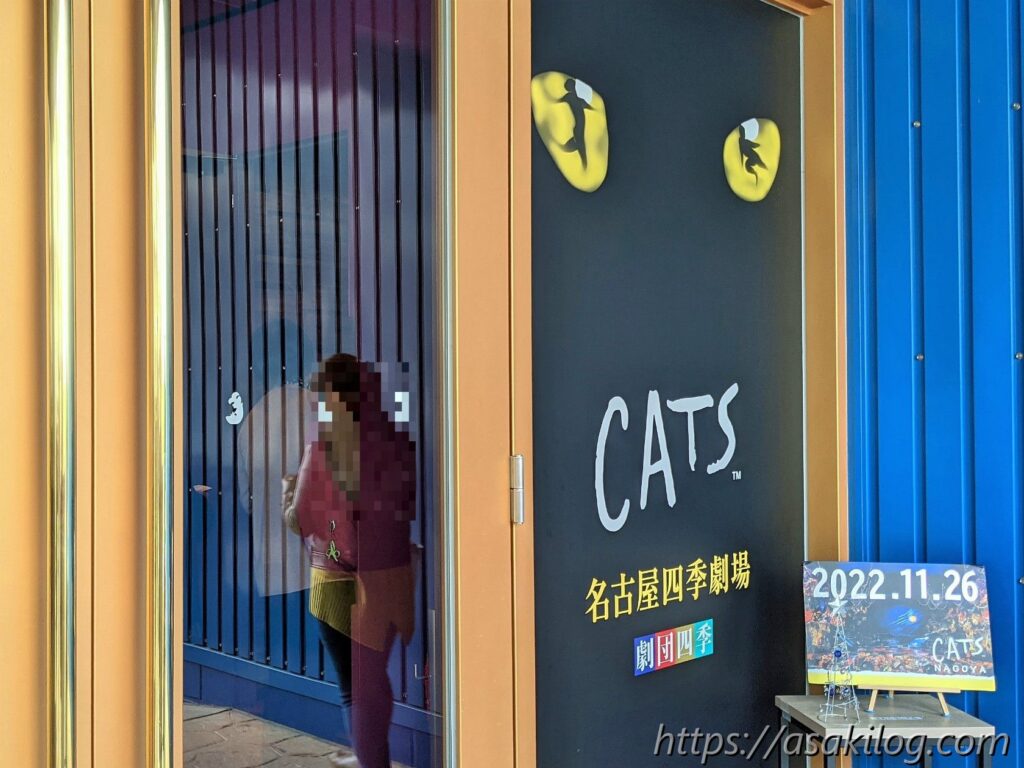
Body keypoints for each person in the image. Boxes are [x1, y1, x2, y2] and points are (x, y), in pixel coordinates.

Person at [283, 353, 416, 768]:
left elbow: (301, 520)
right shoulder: (395, 441)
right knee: (374, 679)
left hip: (339, 581)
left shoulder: (324, 446)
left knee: (354, 688)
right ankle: (371, 754)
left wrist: (287, 495)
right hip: (393, 576)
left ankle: (369, 758)